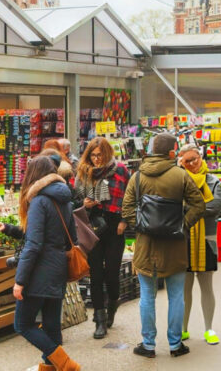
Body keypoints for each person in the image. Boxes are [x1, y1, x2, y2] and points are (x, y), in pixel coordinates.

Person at [121, 133, 205, 359]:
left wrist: (144, 227)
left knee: (147, 296)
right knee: (176, 296)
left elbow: (127, 209)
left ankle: (148, 345)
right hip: (175, 245)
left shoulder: (137, 177)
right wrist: (182, 225)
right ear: (171, 152)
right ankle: (175, 345)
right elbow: (198, 205)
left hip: (145, 246)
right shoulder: (181, 176)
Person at [6, 155, 82, 371]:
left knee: (23, 323)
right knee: (51, 323)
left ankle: (66, 364)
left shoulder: (39, 201)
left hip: (40, 270)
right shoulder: (64, 199)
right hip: (58, 266)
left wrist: (20, 280)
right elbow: (71, 238)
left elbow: (34, 244)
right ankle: (51, 367)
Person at [74, 137, 131, 339]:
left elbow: (130, 197)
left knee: (112, 272)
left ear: (107, 154)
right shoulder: (82, 172)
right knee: (96, 274)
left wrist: (125, 221)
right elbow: (74, 200)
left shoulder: (121, 170)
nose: (96, 159)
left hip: (115, 225)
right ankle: (99, 319)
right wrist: (84, 203)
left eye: (100, 155)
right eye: (93, 155)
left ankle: (112, 306)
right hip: (92, 226)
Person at [177, 144, 221, 345]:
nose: (193, 163)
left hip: (207, 239)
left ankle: (209, 329)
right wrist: (200, 207)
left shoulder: (212, 181)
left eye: (195, 158)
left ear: (200, 157)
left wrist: (192, 208)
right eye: (187, 161)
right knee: (184, 288)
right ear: (181, 163)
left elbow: (217, 205)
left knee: (207, 286)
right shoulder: (178, 182)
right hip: (184, 240)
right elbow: (175, 207)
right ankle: (183, 329)